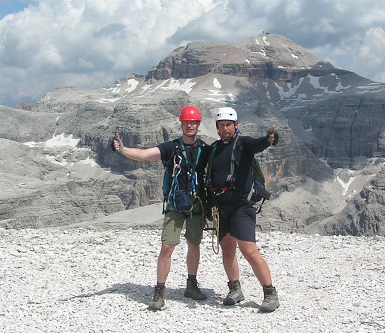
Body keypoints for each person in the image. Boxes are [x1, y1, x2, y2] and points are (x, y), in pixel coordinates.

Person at [112, 106, 212, 310]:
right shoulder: (170, 148)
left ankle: (191, 285)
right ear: (181, 124)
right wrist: (122, 150)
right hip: (175, 205)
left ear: (198, 124)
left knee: (194, 245)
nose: (190, 125)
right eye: (187, 122)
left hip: (197, 204)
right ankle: (159, 291)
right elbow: (143, 155)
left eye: (193, 122)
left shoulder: (205, 149)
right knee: (167, 247)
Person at [207, 107, 280, 313]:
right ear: (218, 128)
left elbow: (258, 144)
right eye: (222, 125)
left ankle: (269, 292)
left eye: (229, 124)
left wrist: (269, 139)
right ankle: (235, 289)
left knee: (249, 250)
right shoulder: (214, 149)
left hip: (242, 206)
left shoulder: (243, 144)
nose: (225, 128)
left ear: (236, 125)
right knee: (228, 250)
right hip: (222, 207)